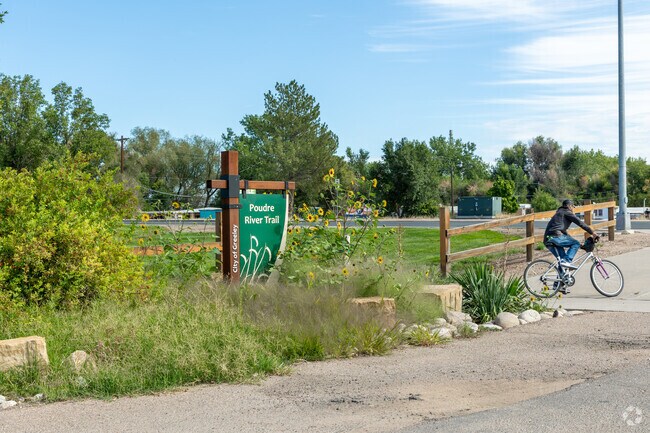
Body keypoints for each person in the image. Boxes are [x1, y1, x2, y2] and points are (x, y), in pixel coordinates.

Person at [544, 199, 599, 270]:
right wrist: (593, 233)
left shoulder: (559, 213)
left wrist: (579, 244)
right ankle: (567, 261)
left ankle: (560, 280)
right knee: (575, 244)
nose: (573, 209)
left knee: (562, 262)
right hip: (555, 236)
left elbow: (563, 232)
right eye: (573, 206)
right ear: (569, 206)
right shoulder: (567, 212)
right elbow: (580, 223)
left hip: (547, 239)